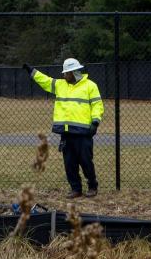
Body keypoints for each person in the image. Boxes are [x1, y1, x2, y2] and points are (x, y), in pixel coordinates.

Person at [24, 57, 103, 198]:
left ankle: (92, 186)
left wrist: (95, 121)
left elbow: (97, 105)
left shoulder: (90, 86)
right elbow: (46, 81)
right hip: (66, 133)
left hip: (84, 133)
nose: (64, 75)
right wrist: (32, 71)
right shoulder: (60, 85)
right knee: (69, 163)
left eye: (66, 73)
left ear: (74, 72)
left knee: (86, 161)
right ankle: (76, 189)